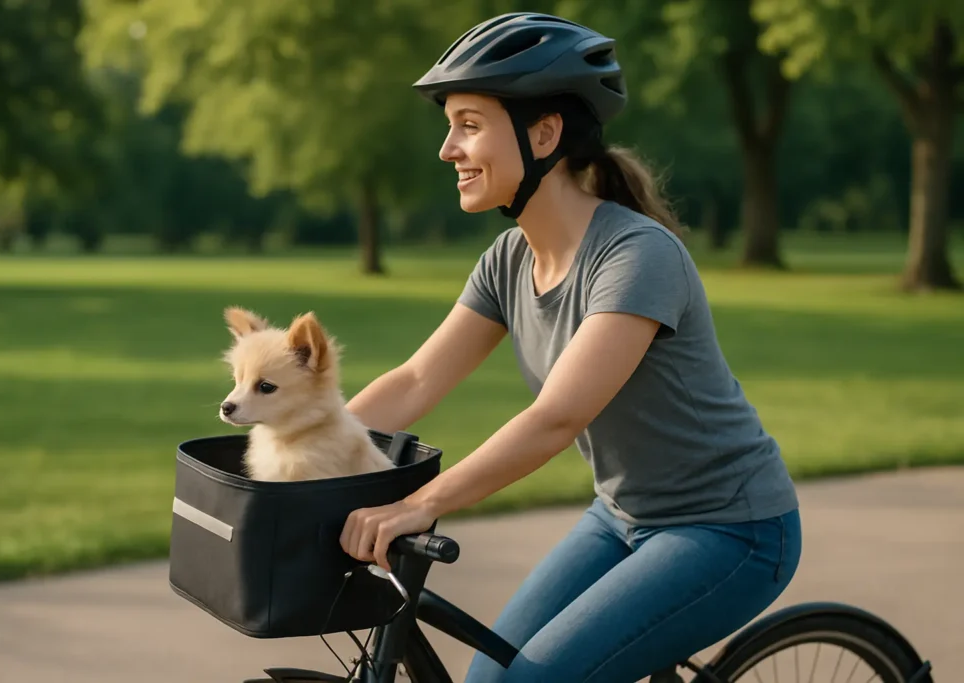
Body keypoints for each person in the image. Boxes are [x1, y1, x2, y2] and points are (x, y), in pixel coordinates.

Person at [338, 12, 801, 683]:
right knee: (490, 678)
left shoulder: (637, 256)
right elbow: (414, 380)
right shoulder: (508, 259)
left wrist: (420, 503)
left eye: (469, 124)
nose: (448, 148)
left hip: (730, 528)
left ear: (545, 133)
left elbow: (556, 417)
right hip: (621, 516)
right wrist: (308, 453)